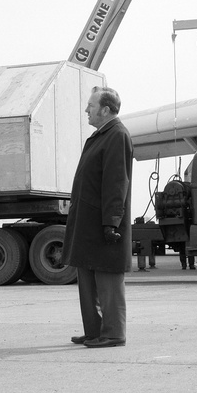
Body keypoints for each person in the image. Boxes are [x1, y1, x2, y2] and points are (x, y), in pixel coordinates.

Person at [62, 86, 133, 348]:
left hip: (103, 223)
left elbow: (117, 183)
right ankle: (94, 331)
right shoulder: (99, 136)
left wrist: (111, 222)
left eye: (90, 106)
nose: (86, 110)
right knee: (88, 279)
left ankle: (113, 333)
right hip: (88, 222)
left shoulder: (117, 135)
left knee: (108, 280)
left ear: (105, 109)